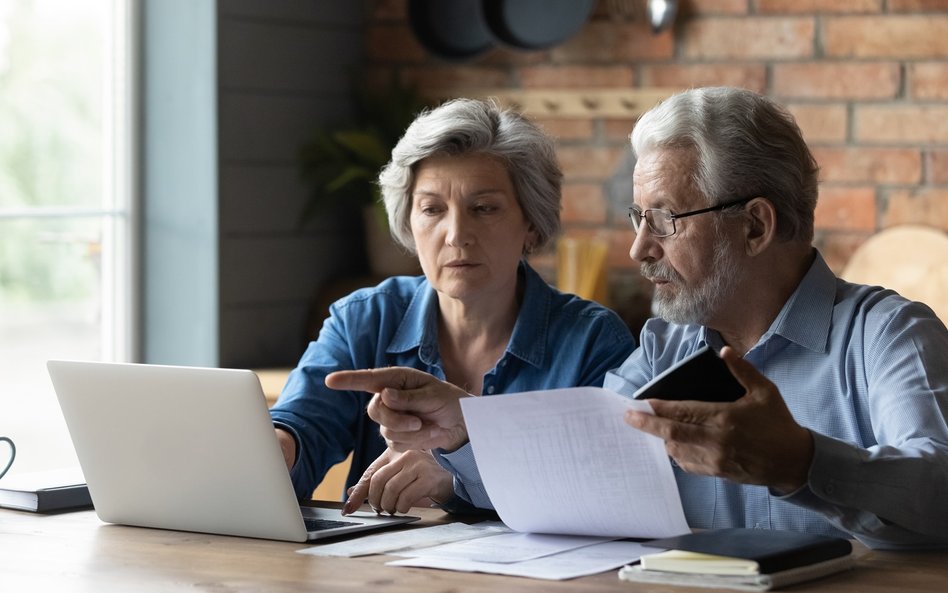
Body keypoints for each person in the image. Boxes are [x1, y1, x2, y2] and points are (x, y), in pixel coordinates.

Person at [331, 87, 948, 549]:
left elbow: (940, 491)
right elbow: (574, 475)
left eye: (666, 219)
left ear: (755, 225)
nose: (639, 249)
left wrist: (800, 463)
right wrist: (468, 429)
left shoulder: (888, 336)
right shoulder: (663, 350)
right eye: (638, 218)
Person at [269, 98, 636, 515]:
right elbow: (303, 425)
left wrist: (458, 478)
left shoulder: (593, 341)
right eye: (432, 209)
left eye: (484, 208)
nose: (457, 234)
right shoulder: (364, 319)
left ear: (531, 224)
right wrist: (278, 451)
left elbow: (604, 489)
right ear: (409, 222)